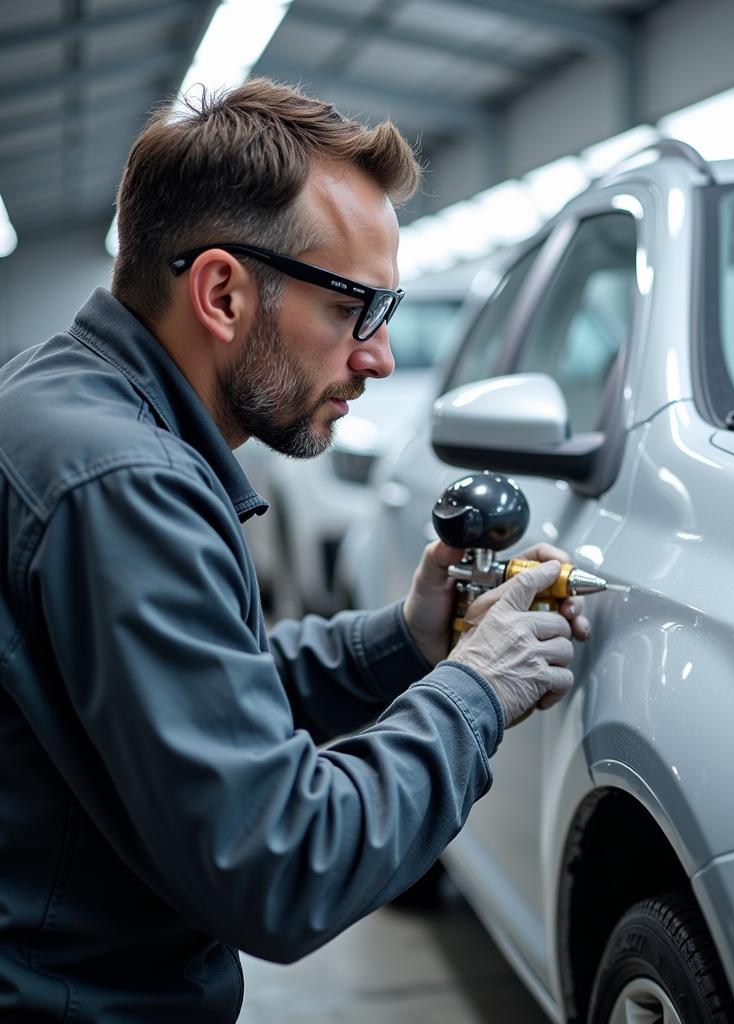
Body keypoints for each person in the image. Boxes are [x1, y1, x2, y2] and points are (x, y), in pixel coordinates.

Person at [0, 78, 589, 1022]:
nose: (381, 357)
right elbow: (281, 862)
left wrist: (406, 640)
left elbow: (197, 697)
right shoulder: (124, 483)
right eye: (357, 308)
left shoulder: (67, 406)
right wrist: (477, 688)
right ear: (224, 292)